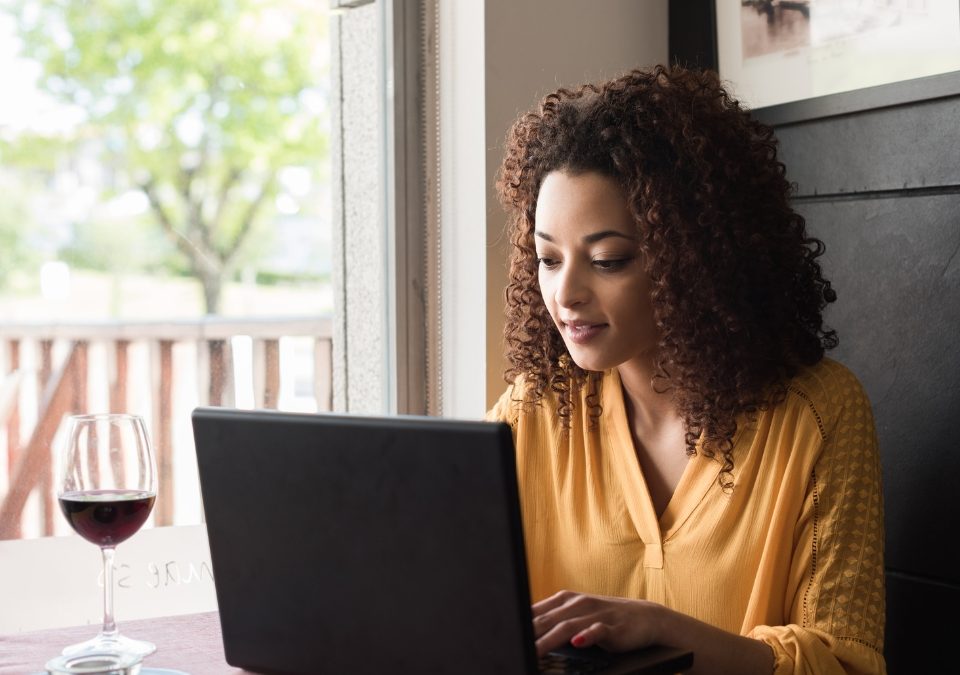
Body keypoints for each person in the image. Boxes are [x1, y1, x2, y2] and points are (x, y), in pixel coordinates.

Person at [487, 65, 885, 675]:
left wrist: (667, 633)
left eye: (608, 259)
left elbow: (845, 664)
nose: (564, 293)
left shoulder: (817, 415)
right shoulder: (532, 412)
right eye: (547, 258)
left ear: (693, 258)